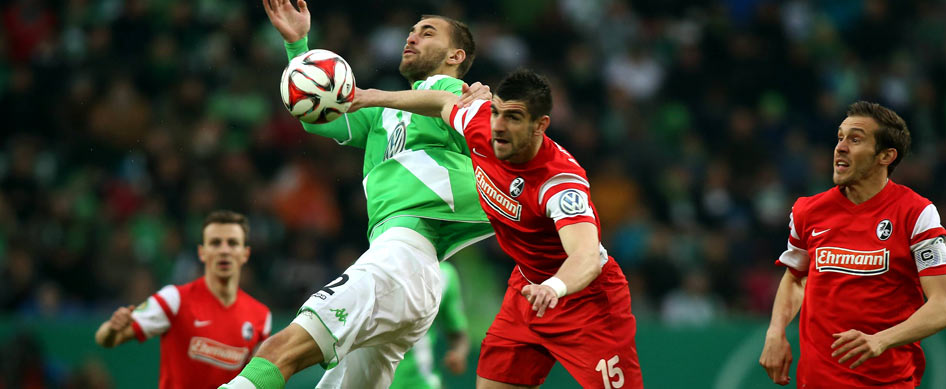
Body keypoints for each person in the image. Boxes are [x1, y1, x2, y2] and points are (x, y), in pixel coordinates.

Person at [222, 1, 493, 388]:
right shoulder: (385, 116)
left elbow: (460, 112)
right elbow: (318, 114)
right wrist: (298, 47)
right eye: (411, 30)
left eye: (427, 31)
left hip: (402, 258)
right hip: (405, 268)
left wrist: (480, 102)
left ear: (456, 55)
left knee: (280, 350)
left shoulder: (452, 91)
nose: (412, 36)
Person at [350, 68, 644, 388]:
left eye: (514, 118)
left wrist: (554, 288)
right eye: (496, 112)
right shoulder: (483, 128)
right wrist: (371, 98)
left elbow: (586, 255)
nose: (499, 126)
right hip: (527, 291)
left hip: (587, 304)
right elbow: (442, 102)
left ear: (540, 126)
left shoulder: (559, 183)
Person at [759, 101, 946, 388]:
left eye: (855, 139)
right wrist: (775, 331)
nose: (841, 147)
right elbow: (796, 279)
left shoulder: (917, 213)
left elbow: (942, 305)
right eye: (840, 137)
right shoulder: (808, 211)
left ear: (886, 155)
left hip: (887, 382)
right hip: (816, 380)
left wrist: (881, 340)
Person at [94, 210, 272, 389]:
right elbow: (106, 338)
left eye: (232, 243)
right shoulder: (174, 299)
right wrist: (112, 328)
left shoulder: (261, 316)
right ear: (202, 252)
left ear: (245, 254)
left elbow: (257, 381)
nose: (224, 250)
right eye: (215, 243)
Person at [390, 261, 470, 389]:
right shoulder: (367, 267)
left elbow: (457, 333)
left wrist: (458, 354)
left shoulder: (445, 274)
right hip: (371, 381)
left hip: (421, 382)